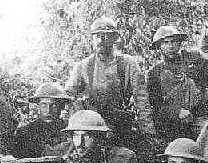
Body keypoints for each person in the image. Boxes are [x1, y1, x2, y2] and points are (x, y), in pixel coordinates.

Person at [64, 16, 158, 152]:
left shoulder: (127, 63)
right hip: (91, 126)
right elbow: (68, 96)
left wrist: (148, 133)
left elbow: (141, 99)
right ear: (92, 39)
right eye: (98, 36)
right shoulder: (84, 66)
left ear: (114, 39)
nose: (101, 40)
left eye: (106, 36)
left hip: (119, 124)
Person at [147, 26, 208, 143]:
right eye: (165, 43)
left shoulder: (195, 58)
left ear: (179, 43)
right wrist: (175, 112)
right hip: (175, 122)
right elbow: (154, 104)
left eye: (174, 41)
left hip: (202, 114)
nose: (170, 46)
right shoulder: (155, 72)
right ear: (159, 46)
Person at [12, 82, 72, 158]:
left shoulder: (70, 129)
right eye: (44, 105)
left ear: (62, 106)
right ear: (38, 105)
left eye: (54, 105)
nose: (48, 110)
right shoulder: (25, 131)